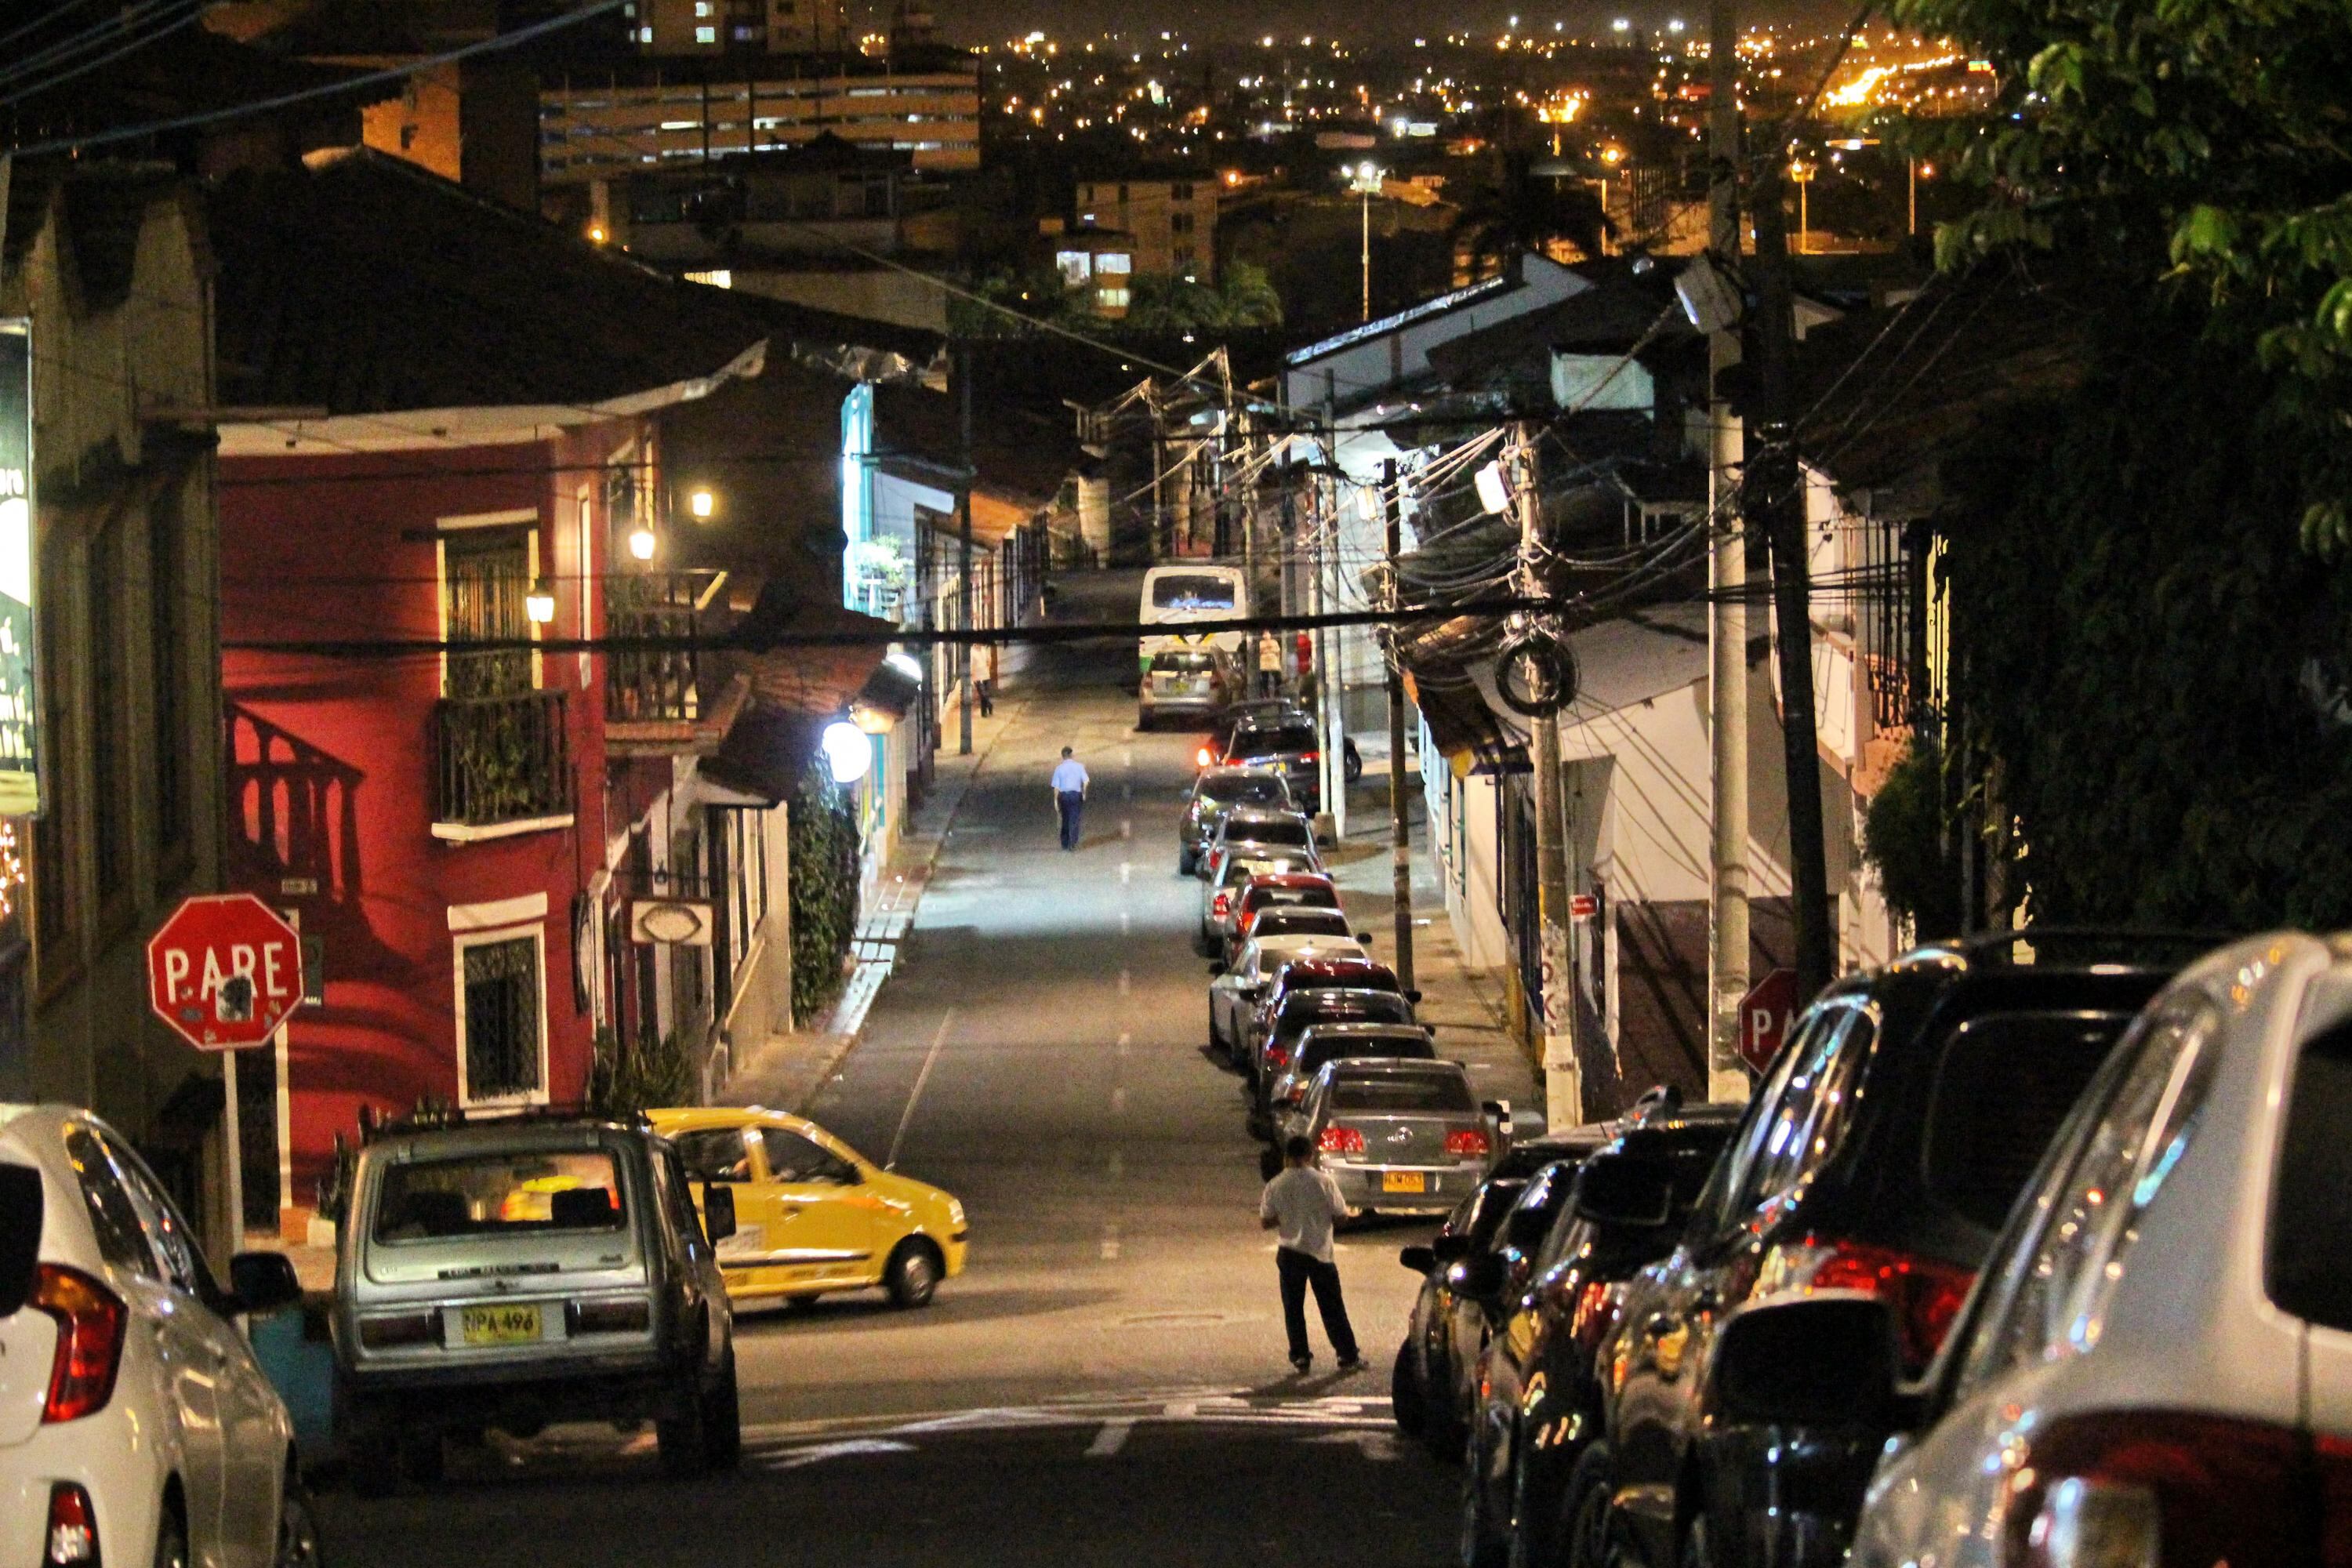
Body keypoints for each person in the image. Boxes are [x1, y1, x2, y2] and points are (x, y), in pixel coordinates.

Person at [1258, 1134, 1362, 1374]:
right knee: (1332, 1307)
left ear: (1286, 1156)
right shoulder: (1324, 1182)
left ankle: (1300, 1356)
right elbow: (1341, 1216)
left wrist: (1287, 1216)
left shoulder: (1275, 1184)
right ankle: (1346, 1354)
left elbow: (1265, 1221)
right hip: (1319, 1252)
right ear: (1310, 1155)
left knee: (1293, 1308)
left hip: (1289, 1252)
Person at [1050, 745, 1088, 851]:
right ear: (1071, 755)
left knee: (1065, 819)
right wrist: (1084, 793)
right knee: (1074, 819)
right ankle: (1073, 842)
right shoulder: (1079, 767)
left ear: (1062, 756)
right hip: (1076, 795)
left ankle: (1065, 843)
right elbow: (1086, 781)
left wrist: (1055, 801)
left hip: (1064, 796)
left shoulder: (1059, 769)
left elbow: (1056, 787)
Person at [974, 641, 996, 717]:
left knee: (985, 694)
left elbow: (989, 660)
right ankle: (989, 705)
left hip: (986, 676)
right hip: (978, 677)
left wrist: (988, 667)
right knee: (983, 694)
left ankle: (984, 713)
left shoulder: (984, 650)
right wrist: (973, 677)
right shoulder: (972, 652)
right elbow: (972, 666)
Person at [1257, 632, 1283, 698]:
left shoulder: (1274, 642)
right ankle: (1266, 694)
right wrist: (1267, 651)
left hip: (1274, 663)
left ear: (1270, 634)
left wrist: (1278, 662)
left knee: (1278, 678)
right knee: (1264, 680)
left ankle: (1277, 693)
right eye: (1264, 634)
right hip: (1264, 664)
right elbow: (1260, 652)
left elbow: (1278, 652)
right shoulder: (1261, 643)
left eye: (1267, 633)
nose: (1266, 636)